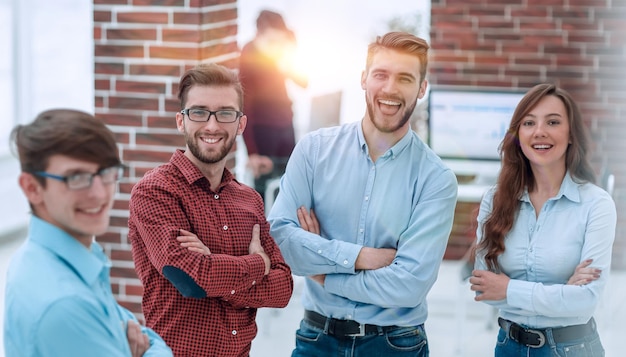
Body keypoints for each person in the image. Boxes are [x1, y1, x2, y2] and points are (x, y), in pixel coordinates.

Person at [267, 32, 458, 356]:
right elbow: (279, 242)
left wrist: (322, 270)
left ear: (422, 88)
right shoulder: (314, 151)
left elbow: (408, 286)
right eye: (381, 74)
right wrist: (361, 257)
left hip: (396, 345)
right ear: (363, 79)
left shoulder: (435, 179)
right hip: (317, 340)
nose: (390, 88)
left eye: (405, 78)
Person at [128, 63, 294, 356]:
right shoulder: (155, 191)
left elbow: (283, 288)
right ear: (181, 121)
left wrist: (214, 270)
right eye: (199, 112)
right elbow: (190, 280)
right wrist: (257, 264)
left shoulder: (249, 200)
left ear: (240, 124)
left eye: (225, 113)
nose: (213, 125)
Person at [3, 109, 172, 357]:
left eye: (106, 173)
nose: (99, 194)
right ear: (32, 188)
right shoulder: (65, 306)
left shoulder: (42, 257)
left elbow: (137, 332)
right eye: (77, 177)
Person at [470, 83, 616, 356]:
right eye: (528, 122)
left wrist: (509, 288)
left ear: (571, 134)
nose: (540, 132)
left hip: (572, 349)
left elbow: (585, 301)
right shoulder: (495, 199)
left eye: (553, 122)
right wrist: (562, 292)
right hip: (508, 346)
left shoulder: (596, 205)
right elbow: (484, 289)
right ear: (518, 134)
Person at [238, 9, 308, 199]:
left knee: (291, 184)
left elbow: (304, 82)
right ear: (258, 36)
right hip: (263, 131)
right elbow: (245, 106)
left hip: (286, 125)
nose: (275, 46)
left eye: (279, 41)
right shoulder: (249, 53)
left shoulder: (283, 47)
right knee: (264, 190)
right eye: (271, 42)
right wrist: (252, 152)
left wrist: (287, 62)